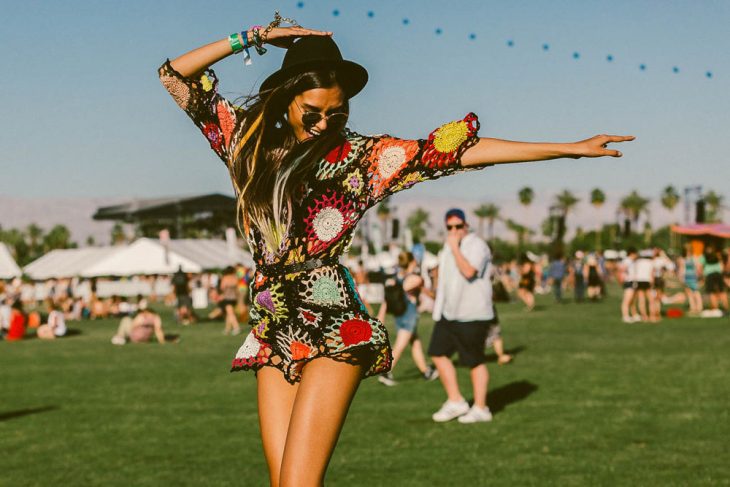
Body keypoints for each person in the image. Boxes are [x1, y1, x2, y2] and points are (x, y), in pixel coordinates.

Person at [159, 16, 633, 484]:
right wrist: (259, 36)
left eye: (337, 112)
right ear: (286, 102)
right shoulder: (246, 143)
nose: (326, 123)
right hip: (270, 326)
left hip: (332, 322)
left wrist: (569, 148)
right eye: (313, 112)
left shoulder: (361, 158)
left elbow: (451, 152)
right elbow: (174, 75)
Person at [428, 209, 497, 423]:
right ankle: (456, 401)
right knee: (437, 353)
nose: (454, 231)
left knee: (474, 361)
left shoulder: (477, 245)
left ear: (467, 225)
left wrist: (456, 248)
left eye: (458, 226)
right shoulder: (447, 248)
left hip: (472, 313)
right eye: (450, 227)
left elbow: (469, 271)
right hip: (449, 313)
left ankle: (481, 407)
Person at [376, 251, 438, 386]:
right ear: (411, 261)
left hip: (401, 316)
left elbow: (390, 296)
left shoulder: (397, 277)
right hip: (409, 316)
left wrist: (381, 314)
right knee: (400, 346)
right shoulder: (414, 278)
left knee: (415, 344)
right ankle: (386, 372)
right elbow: (428, 291)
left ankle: (426, 372)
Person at [679, 245, 703, 314]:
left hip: (692, 277)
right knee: (690, 293)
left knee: (695, 292)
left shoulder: (692, 258)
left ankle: (698, 308)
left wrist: (699, 276)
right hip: (688, 277)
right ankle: (694, 308)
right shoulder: (687, 258)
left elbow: (698, 268)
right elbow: (682, 269)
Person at [220, 266, 242, 336]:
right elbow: (237, 288)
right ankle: (227, 329)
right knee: (229, 313)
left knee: (231, 313)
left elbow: (222, 287)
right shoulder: (235, 278)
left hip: (227, 298)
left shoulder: (225, 278)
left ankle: (237, 328)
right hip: (234, 298)